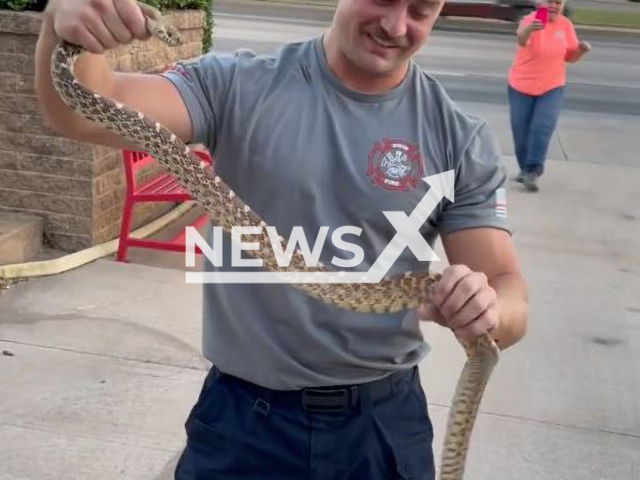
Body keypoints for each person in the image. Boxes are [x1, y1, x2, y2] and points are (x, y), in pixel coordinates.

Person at [35, 0, 529, 478]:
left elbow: (505, 290)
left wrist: (487, 310)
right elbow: (83, 113)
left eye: (420, 10)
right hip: (245, 419)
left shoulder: (459, 137)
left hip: (382, 425)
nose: (397, 26)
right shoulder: (236, 84)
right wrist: (67, 28)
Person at [507, 0, 592, 192]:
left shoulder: (565, 25)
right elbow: (521, 39)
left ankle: (533, 170)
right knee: (521, 132)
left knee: (542, 127)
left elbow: (570, 57)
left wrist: (581, 50)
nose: (553, 6)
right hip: (521, 85)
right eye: (549, 1)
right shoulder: (529, 20)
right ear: (539, 2)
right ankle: (524, 168)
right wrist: (530, 29)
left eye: (558, 2)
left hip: (551, 86)